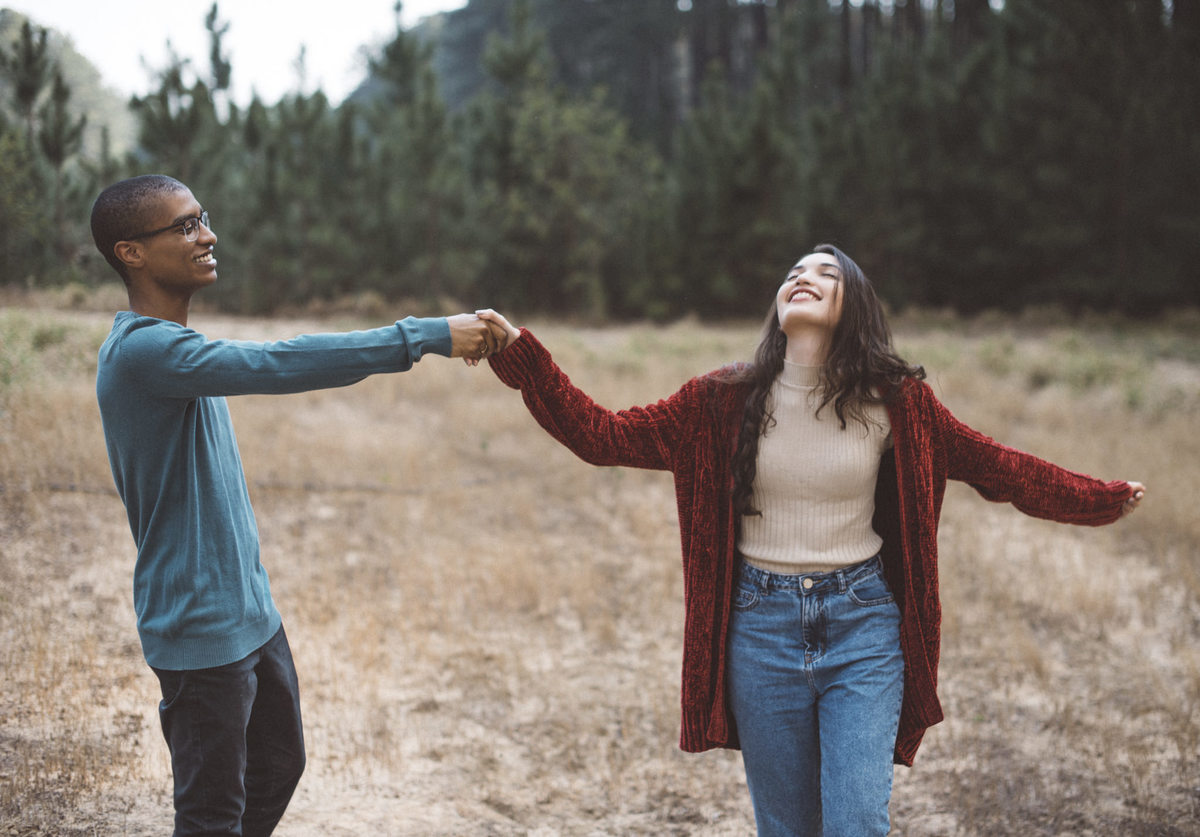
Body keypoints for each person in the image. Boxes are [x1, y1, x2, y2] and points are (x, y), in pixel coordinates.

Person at [475, 244, 1146, 837]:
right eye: (794, 271)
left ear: (853, 304)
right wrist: (523, 357)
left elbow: (1001, 467)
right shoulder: (718, 398)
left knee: (856, 821)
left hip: (863, 628)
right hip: (759, 631)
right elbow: (603, 435)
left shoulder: (899, 403)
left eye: (826, 272)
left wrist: (1101, 498)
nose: (804, 277)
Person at [90, 173, 508, 837]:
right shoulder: (144, 351)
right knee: (209, 817)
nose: (208, 234)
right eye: (185, 226)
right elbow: (277, 363)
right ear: (131, 252)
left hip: (249, 612)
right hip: (199, 629)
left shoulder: (174, 347)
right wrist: (423, 335)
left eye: (203, 217)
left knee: (280, 764)